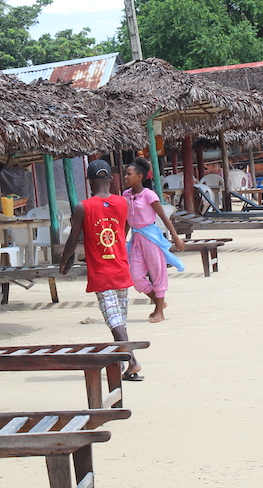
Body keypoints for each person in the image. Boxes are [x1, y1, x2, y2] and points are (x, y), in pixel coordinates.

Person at [59, 159, 143, 381]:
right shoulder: (122, 203)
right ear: (109, 179)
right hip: (121, 267)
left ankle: (132, 361)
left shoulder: (82, 207)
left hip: (101, 271)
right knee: (120, 319)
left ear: (90, 181)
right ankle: (127, 365)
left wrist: (65, 260)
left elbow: (73, 238)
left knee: (113, 319)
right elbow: (124, 230)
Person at [122, 158, 186, 323]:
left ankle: (159, 312)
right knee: (135, 275)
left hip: (151, 238)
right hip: (136, 239)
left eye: (129, 174)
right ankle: (159, 302)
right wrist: (121, 238)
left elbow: (164, 217)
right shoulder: (126, 195)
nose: (125, 177)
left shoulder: (149, 195)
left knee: (157, 273)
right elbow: (128, 219)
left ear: (139, 177)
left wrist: (176, 238)